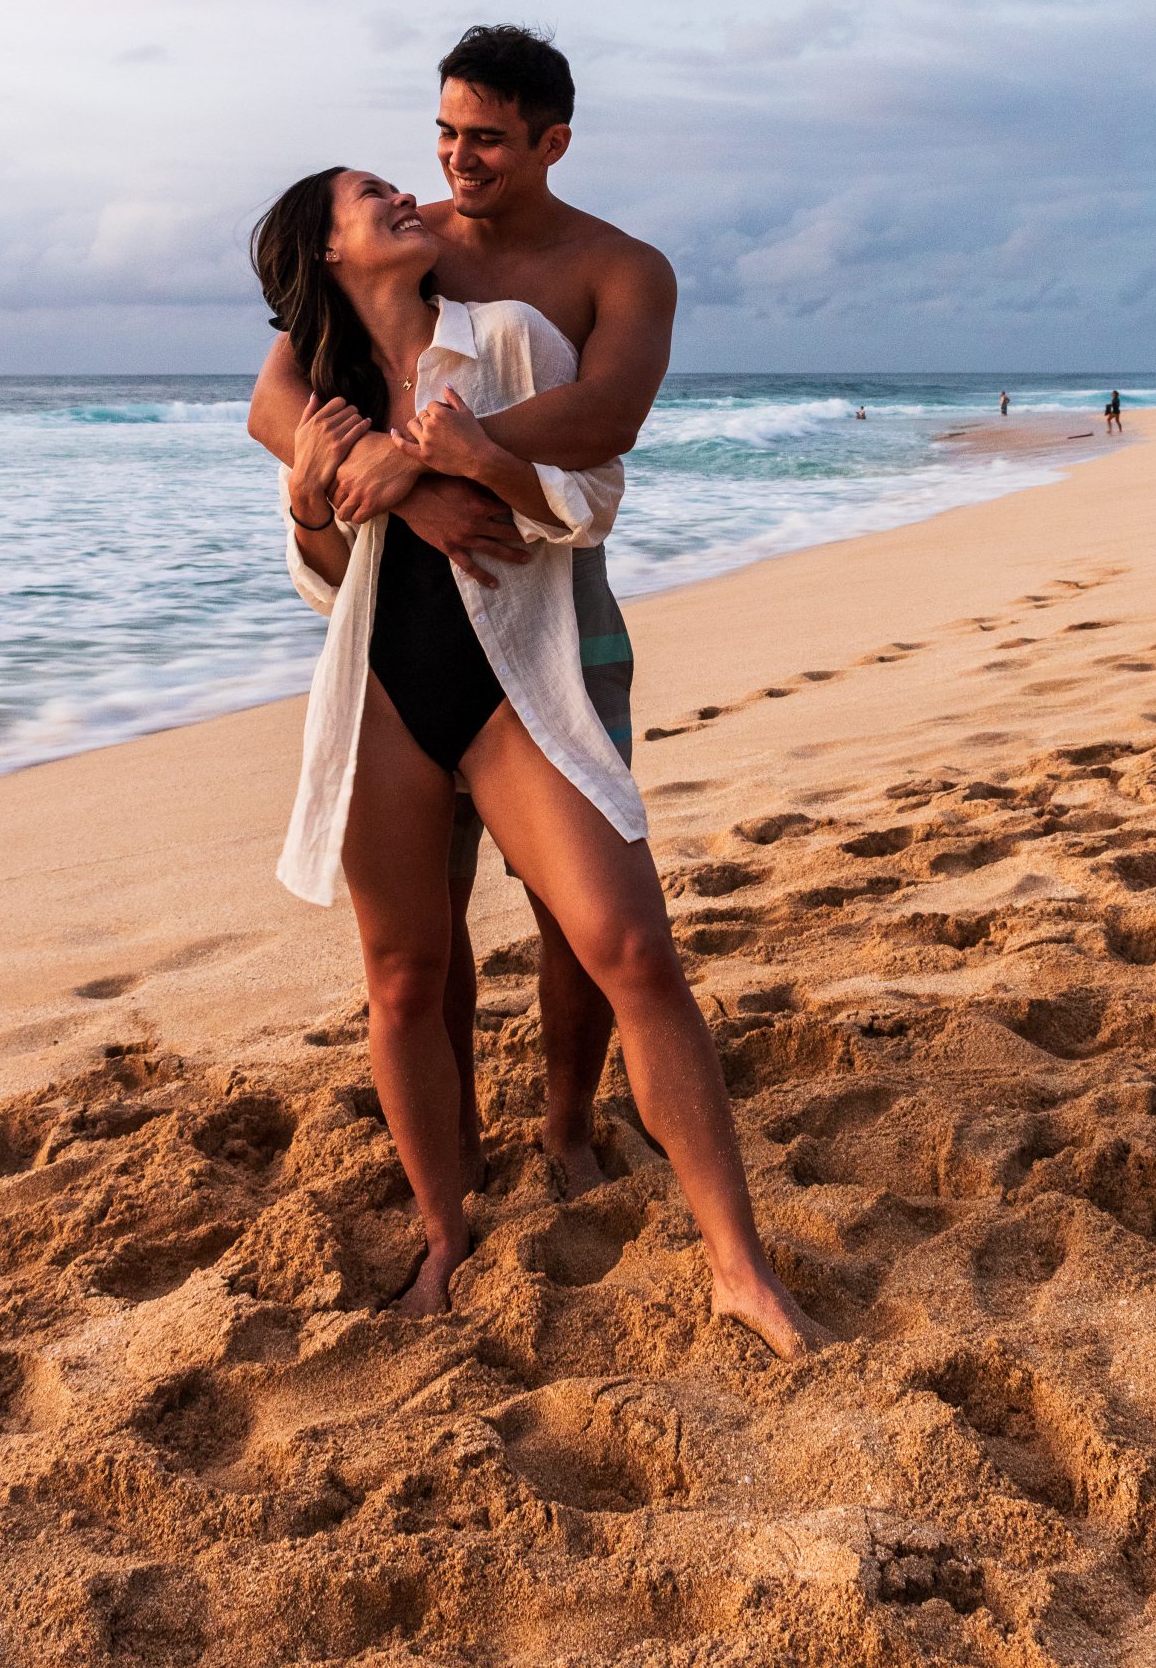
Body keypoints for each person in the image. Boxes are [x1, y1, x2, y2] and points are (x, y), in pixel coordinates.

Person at [250, 164, 821, 1358]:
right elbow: (320, 579)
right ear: (333, 251)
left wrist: (474, 461)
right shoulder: (324, 400)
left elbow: (591, 497)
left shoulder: (506, 338)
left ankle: (739, 1265)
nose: (410, 190)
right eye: (371, 195)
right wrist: (333, 500)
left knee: (633, 947)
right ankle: (445, 1229)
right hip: (384, 692)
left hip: (518, 680)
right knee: (404, 976)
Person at [249, 27, 672, 1199]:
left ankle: (569, 1123)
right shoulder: (413, 237)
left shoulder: (615, 267)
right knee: (421, 922)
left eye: (485, 139)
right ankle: (458, 1156)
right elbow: (276, 398)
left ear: (552, 143)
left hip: (551, 593)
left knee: (574, 903)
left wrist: (436, 467)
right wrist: (391, 484)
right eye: (443, 132)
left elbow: (607, 419)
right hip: (416, 624)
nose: (454, 160)